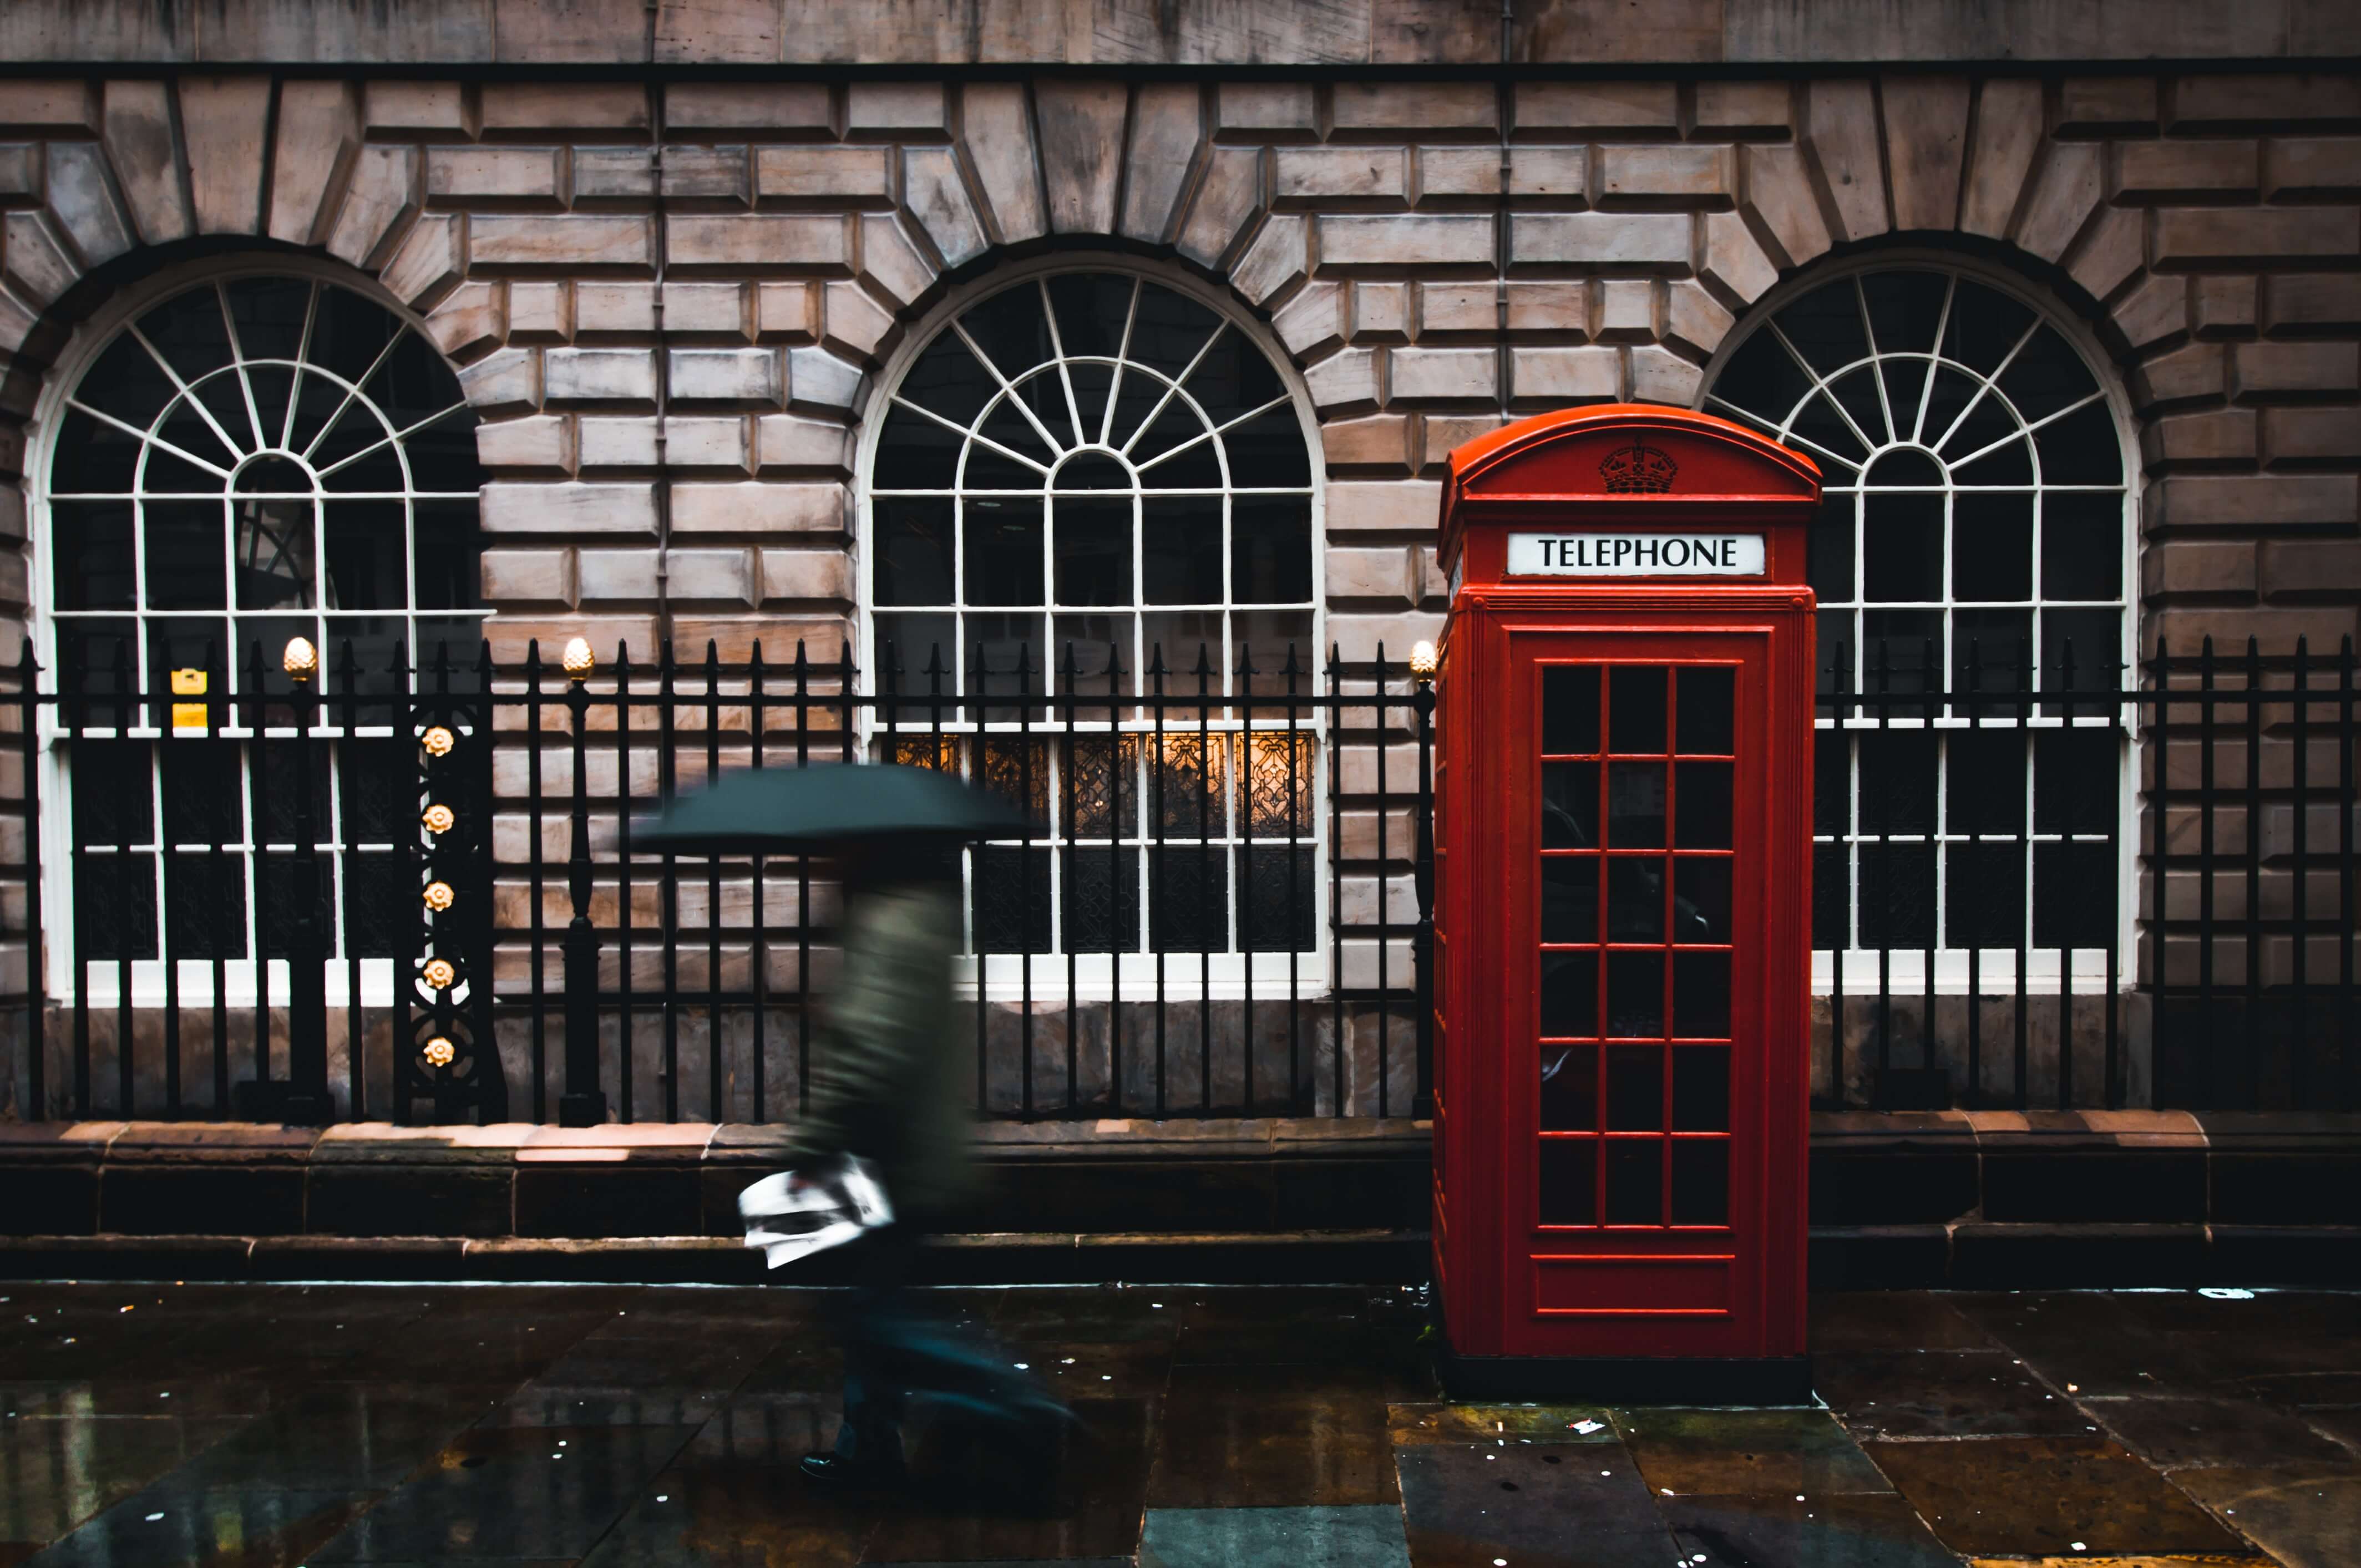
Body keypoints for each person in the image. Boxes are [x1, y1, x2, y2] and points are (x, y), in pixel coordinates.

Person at [784, 839, 1071, 1493]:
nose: (820, 862)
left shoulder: (887, 926)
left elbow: (867, 1056)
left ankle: (1012, 1402)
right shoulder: (915, 915)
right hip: (905, 1153)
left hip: (882, 1160)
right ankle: (868, 1447)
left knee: (872, 1312)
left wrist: (811, 1147)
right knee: (866, 1301)